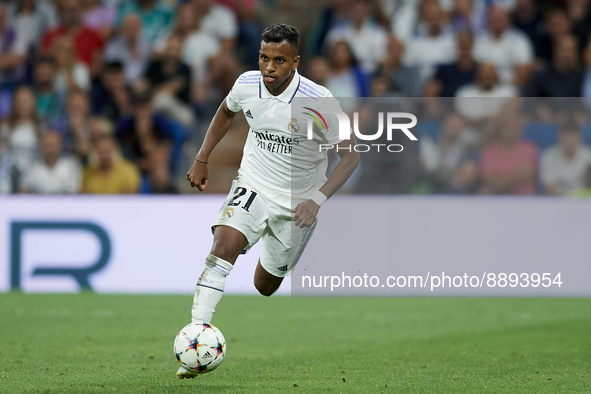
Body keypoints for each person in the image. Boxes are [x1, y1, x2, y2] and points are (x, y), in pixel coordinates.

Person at [183, 24, 359, 378]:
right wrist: (203, 157)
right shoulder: (247, 84)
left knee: (265, 286)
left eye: (279, 60)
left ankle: (271, 254)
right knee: (223, 246)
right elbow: (225, 111)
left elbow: (351, 157)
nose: (269, 68)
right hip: (254, 185)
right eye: (264, 57)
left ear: (295, 62)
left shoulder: (318, 100)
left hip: (297, 206)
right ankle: (196, 335)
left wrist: (318, 200)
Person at [541, 122, 591, 196]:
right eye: (567, 136)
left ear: (580, 137)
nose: (569, 141)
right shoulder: (549, 156)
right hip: (558, 202)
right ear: (559, 137)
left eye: (572, 136)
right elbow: (550, 188)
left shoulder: (589, 156)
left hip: (584, 201)